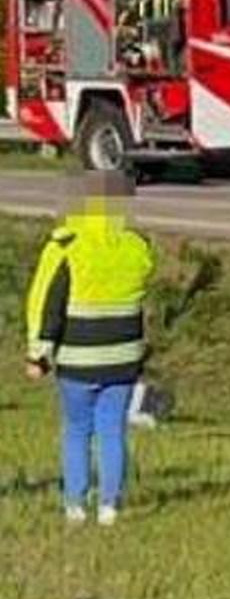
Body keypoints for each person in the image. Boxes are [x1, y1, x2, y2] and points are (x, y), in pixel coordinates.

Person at [24, 170, 156, 526]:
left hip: (79, 357)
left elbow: (46, 303)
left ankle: (75, 504)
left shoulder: (65, 246)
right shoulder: (136, 246)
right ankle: (110, 507)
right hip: (124, 357)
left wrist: (38, 354)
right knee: (112, 431)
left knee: (78, 429)